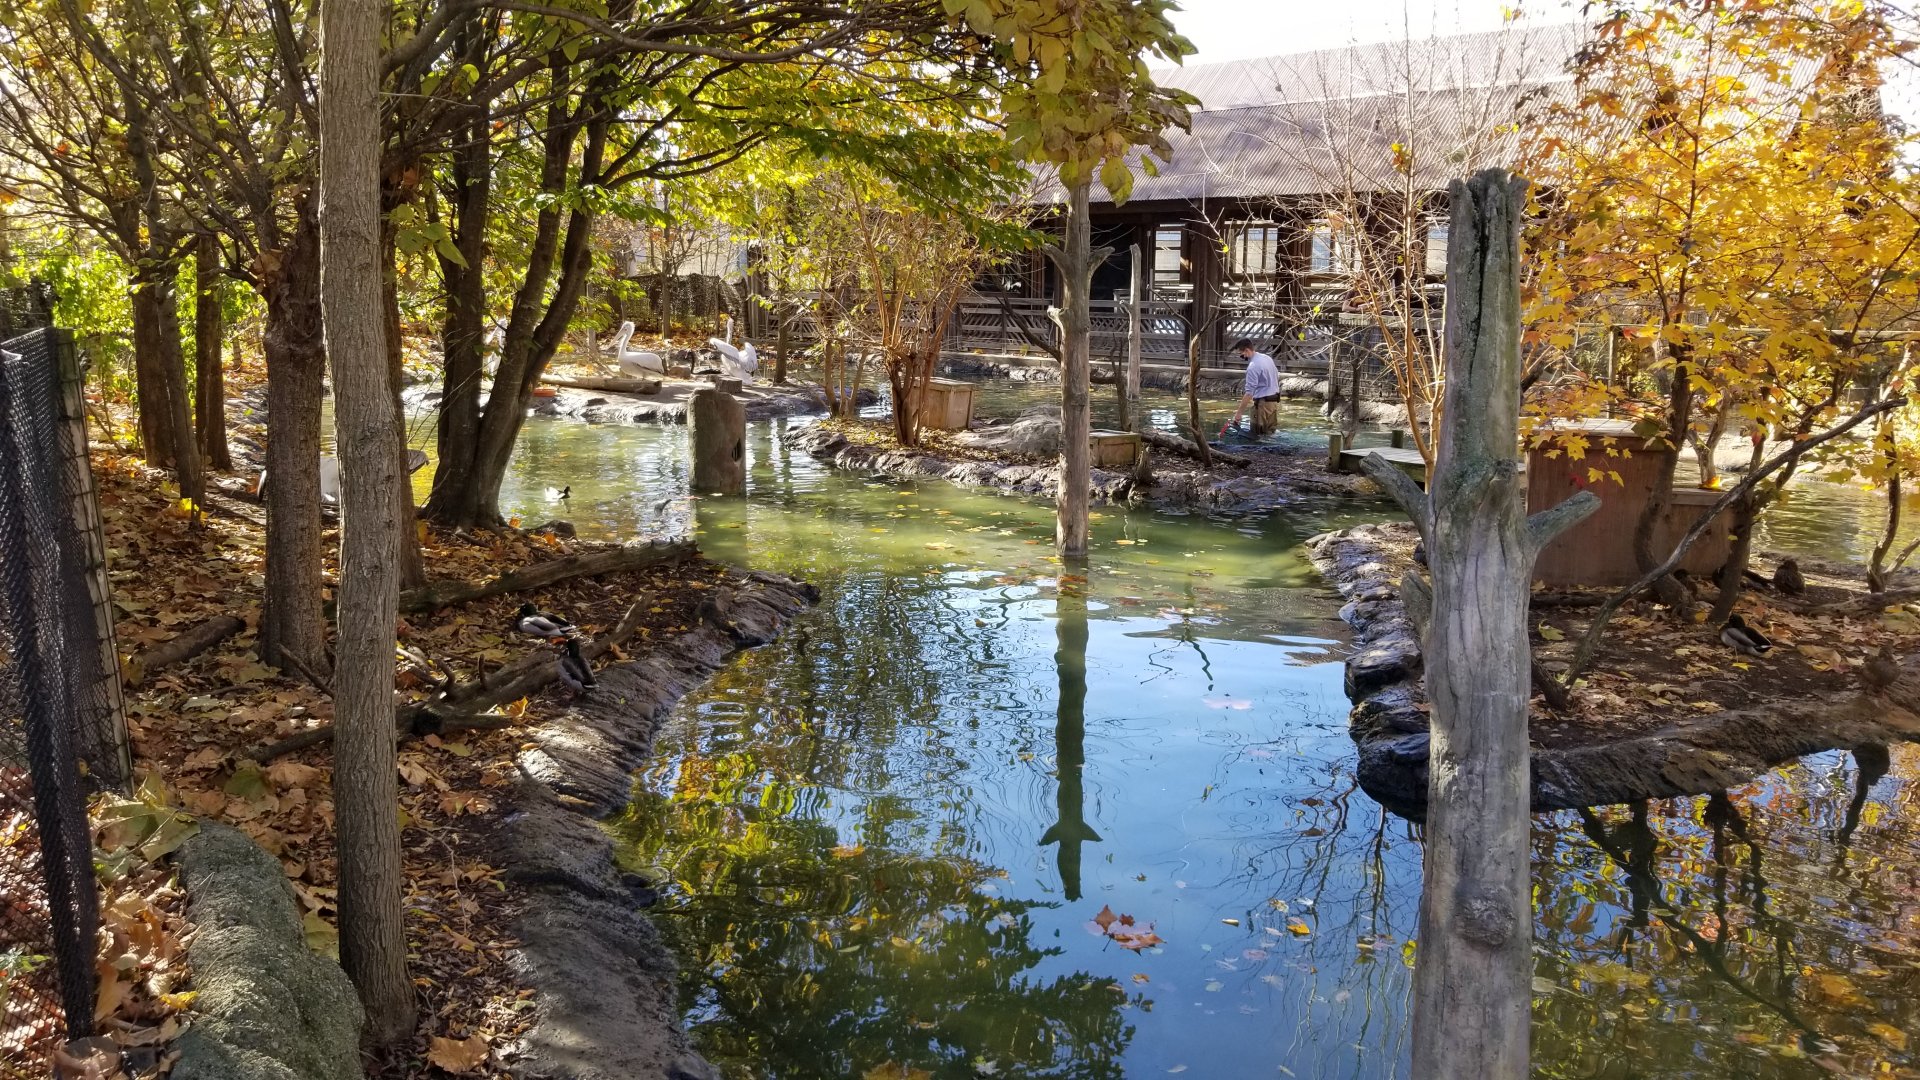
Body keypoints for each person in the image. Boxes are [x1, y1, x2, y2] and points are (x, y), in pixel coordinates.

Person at [1221, 338, 1281, 437]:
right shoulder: (1266, 358)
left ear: (1247, 350)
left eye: (1241, 354)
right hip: (1274, 402)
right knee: (1271, 435)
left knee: (1257, 436)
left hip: (1262, 405)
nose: (1242, 357)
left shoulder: (1253, 367)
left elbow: (1249, 393)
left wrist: (1239, 414)